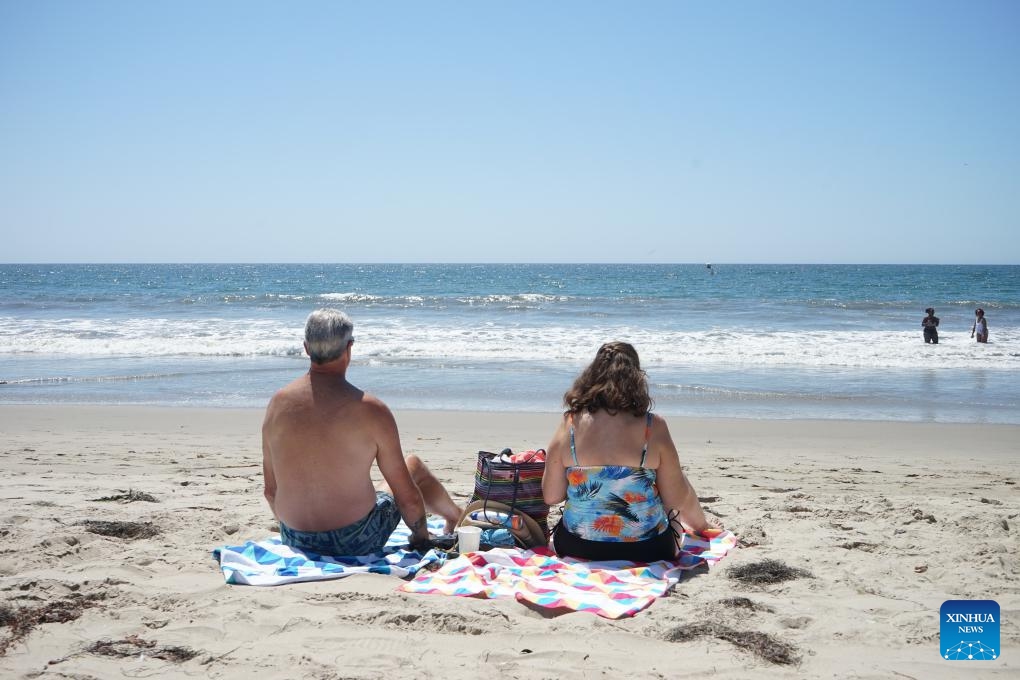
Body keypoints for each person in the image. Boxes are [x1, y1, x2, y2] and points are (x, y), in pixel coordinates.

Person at [262, 308, 461, 555]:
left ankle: (455, 516)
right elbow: (407, 496)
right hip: (355, 540)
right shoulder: (371, 409)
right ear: (349, 348)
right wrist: (421, 538)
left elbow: (270, 491)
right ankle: (456, 517)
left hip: (295, 538)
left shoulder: (278, 404)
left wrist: (296, 533)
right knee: (412, 466)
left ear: (305, 348)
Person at [542, 341, 714, 562]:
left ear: (592, 376)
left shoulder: (571, 424)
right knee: (676, 478)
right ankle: (702, 525)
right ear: (636, 378)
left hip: (576, 546)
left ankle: (701, 524)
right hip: (648, 550)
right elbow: (675, 500)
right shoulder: (653, 427)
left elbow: (551, 495)